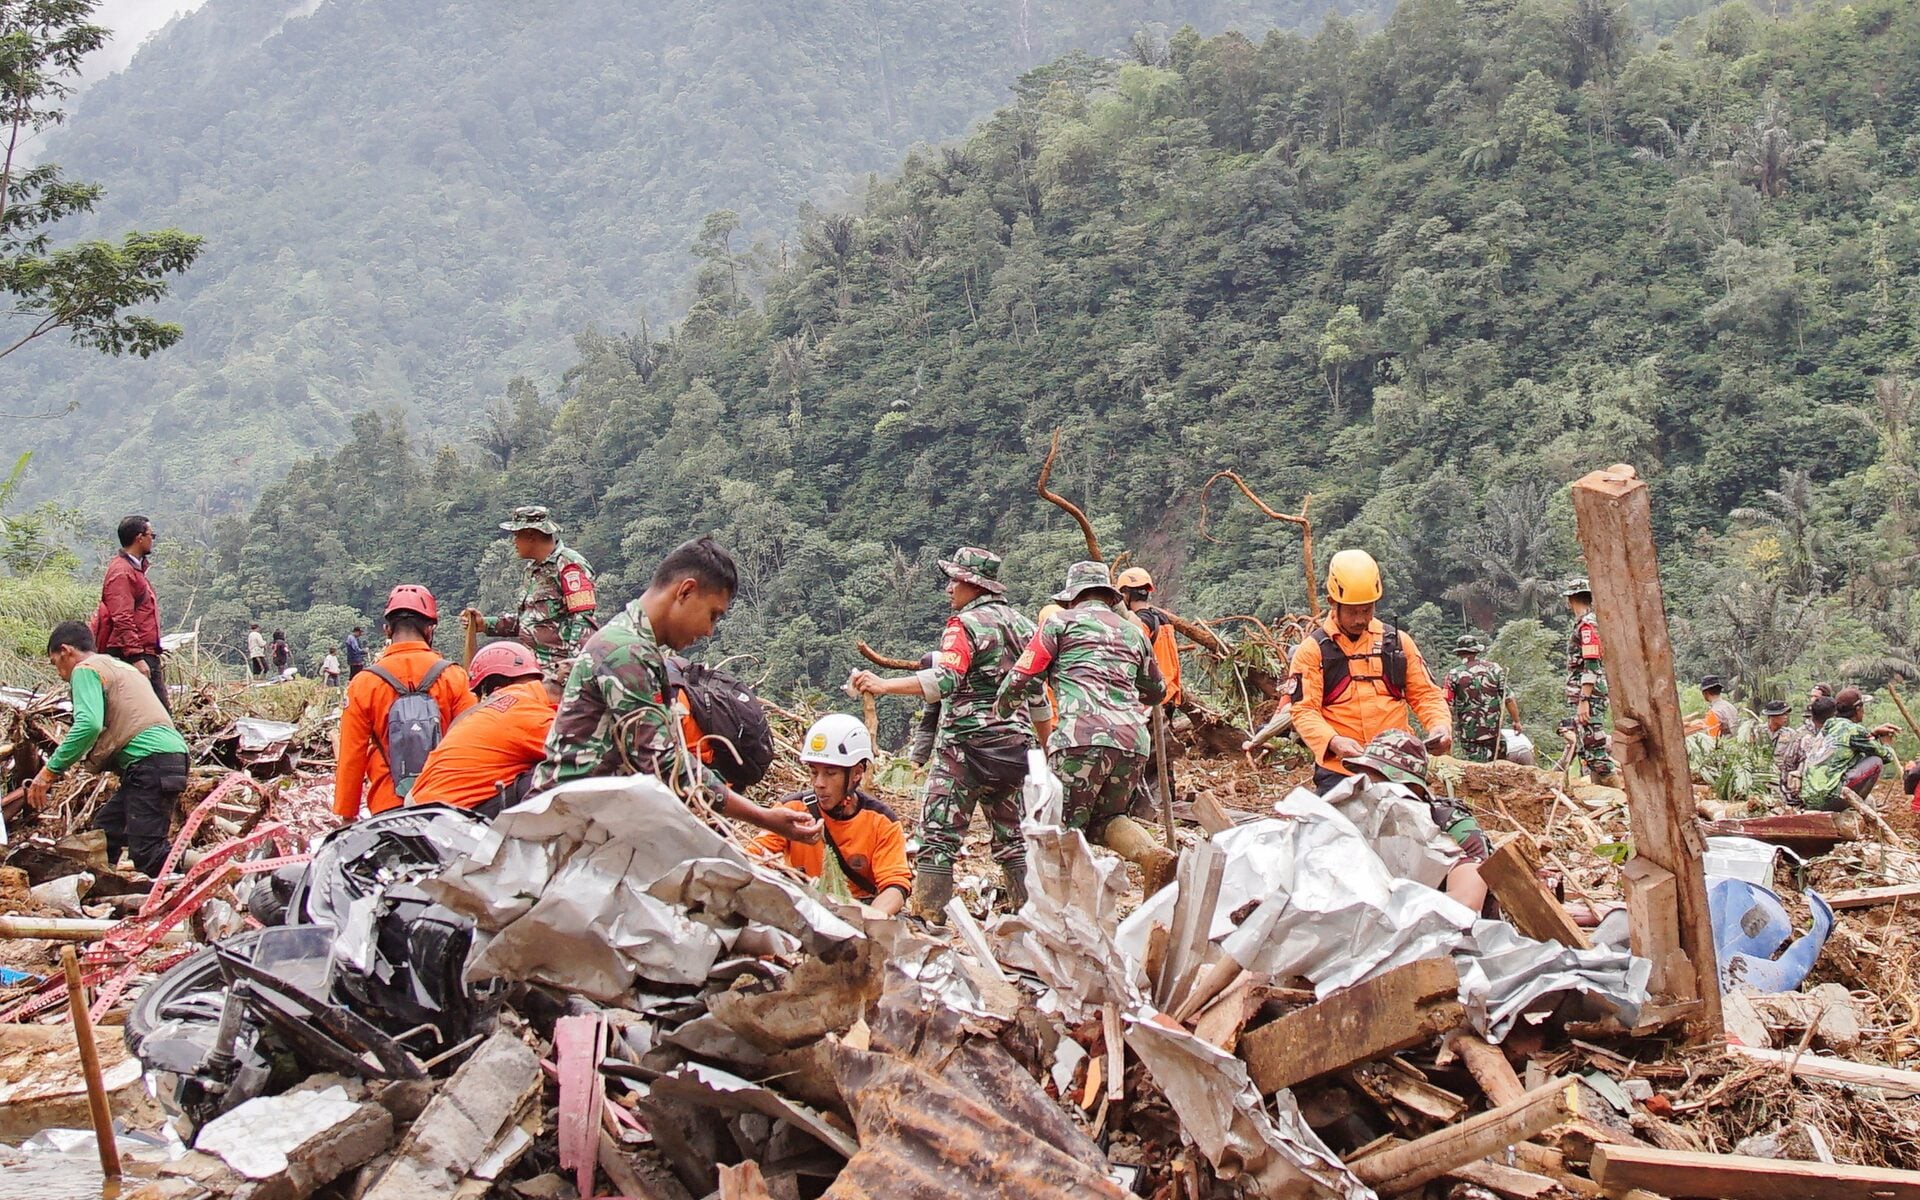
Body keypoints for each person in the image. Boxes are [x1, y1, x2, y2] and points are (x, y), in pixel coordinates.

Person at [530, 537, 820, 844]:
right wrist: (762, 817)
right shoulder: (625, 652)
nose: (709, 631)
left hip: (591, 825)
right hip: (566, 830)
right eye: (713, 614)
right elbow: (664, 765)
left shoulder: (635, 645)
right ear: (686, 591)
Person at [851, 547, 1038, 918]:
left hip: (965, 749)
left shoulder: (963, 626)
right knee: (1015, 839)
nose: (949, 589)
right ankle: (1030, 918)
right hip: (1016, 748)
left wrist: (884, 685)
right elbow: (1038, 691)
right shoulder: (1026, 627)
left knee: (938, 836)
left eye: (955, 580)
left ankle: (928, 916)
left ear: (972, 584)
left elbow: (947, 677)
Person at [996, 560, 1175, 891]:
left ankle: (1069, 905)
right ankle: (1152, 855)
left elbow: (1021, 676)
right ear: (1109, 596)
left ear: (1072, 597)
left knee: (1064, 825)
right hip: (1132, 742)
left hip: (1080, 738)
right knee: (1108, 819)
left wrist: (1001, 709)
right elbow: (1157, 691)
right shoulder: (1135, 632)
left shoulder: (1058, 625)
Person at [28, 622, 190, 877]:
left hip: (149, 761)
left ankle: (219, 866)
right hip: (167, 757)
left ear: (65, 650)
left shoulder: (86, 669)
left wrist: (49, 772)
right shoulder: (121, 667)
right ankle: (103, 889)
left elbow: (88, 725)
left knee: (149, 853)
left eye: (54, 662)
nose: (59, 673)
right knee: (106, 832)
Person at [1288, 549, 1453, 794]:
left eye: (1366, 610)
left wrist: (1440, 726)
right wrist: (1333, 741)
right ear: (1334, 603)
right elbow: (1304, 710)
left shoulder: (1396, 642)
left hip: (1397, 766)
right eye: (1353, 611)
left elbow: (1426, 694)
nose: (1360, 619)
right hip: (1341, 769)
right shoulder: (1313, 651)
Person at [334, 585, 475, 821]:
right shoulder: (453, 676)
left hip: (387, 809)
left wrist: (346, 816)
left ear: (387, 630)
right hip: (445, 807)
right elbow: (471, 743)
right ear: (430, 629)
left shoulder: (364, 683)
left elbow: (351, 756)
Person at [754, 714, 912, 918]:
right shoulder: (791, 810)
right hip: (804, 908)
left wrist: (869, 919)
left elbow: (895, 884)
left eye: (830, 773)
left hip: (857, 912)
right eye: (813, 772)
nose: (819, 783)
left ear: (856, 772)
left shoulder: (880, 821)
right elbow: (754, 858)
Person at [1340, 730, 1490, 912]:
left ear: (1412, 789)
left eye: (1377, 785)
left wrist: (1389, 909)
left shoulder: (1450, 824)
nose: (1367, 792)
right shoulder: (1359, 820)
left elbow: (1467, 901)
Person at [409, 641, 556, 816]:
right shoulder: (520, 708)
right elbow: (581, 751)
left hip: (423, 813)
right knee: (560, 774)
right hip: (448, 820)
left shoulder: (476, 717)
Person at [462, 506, 599, 682]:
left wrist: (571, 676)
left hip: (558, 673)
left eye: (517, 535)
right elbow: (529, 621)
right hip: (533, 670)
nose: (514, 541)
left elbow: (583, 623)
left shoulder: (569, 565)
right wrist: (486, 624)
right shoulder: (534, 570)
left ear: (531, 535)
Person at [1117, 566, 1184, 815]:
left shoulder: (1140, 624)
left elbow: (1137, 660)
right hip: (1168, 693)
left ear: (1125, 594)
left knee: (1145, 756)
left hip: (1150, 699)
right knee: (1161, 757)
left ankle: (1148, 809)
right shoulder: (1162, 620)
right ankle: (1167, 804)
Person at [96, 514, 168, 711]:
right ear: (139, 538)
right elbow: (122, 617)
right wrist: (136, 657)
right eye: (151, 535)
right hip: (132, 654)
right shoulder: (122, 572)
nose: (152, 539)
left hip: (141, 651)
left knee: (149, 712)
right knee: (158, 714)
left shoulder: (134, 570)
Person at [1562, 578, 1621, 786]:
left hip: (1590, 694)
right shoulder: (1586, 623)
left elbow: (1592, 662)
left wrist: (1584, 698)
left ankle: (1618, 795)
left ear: (1570, 600)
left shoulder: (1587, 625)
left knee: (1594, 748)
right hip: (1585, 694)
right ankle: (1601, 793)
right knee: (1587, 750)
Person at [1799, 686, 1897, 812]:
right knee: (1875, 760)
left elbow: (1848, 742)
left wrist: (1873, 734)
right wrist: (1886, 743)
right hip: (1829, 799)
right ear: (1857, 709)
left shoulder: (1829, 726)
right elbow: (1886, 756)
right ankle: (1856, 806)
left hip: (1810, 799)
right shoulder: (1853, 730)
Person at [1443, 635, 1520, 764]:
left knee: (1477, 769)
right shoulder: (1495, 669)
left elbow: (1447, 705)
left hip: (1469, 733)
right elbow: (1508, 698)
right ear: (1477, 651)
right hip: (1493, 730)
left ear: (1459, 653)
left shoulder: (1454, 675)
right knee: (1499, 765)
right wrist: (1516, 721)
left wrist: (1447, 730)